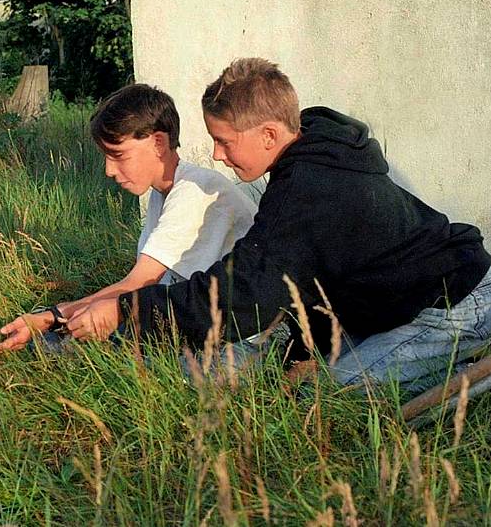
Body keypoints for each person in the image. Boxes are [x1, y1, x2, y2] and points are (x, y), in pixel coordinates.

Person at [61, 58, 490, 392]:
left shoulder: (310, 188)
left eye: (225, 141)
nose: (216, 155)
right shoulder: (312, 160)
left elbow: (242, 295)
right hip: (398, 303)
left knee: (333, 395)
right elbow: (301, 279)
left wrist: (129, 311)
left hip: (453, 303)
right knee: (309, 370)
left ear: (268, 135)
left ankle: (475, 363)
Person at [0, 83, 258, 355]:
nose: (109, 170)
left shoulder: (194, 191)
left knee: (112, 365)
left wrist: (52, 315)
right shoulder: (166, 192)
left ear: (158, 143)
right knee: (60, 344)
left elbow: (139, 283)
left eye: (118, 155)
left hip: (239, 341)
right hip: (197, 323)